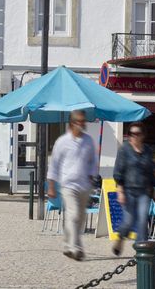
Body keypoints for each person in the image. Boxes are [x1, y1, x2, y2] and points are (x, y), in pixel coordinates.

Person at [47, 110, 98, 261]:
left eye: (84, 121)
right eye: (80, 121)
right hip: (68, 185)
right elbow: (54, 164)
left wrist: (92, 175)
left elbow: (93, 161)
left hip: (84, 185)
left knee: (80, 218)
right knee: (74, 214)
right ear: (72, 123)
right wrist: (51, 185)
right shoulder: (62, 141)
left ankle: (68, 244)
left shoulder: (89, 140)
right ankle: (76, 248)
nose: (83, 124)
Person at [112, 122, 155, 255]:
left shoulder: (148, 151)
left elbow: (151, 171)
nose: (134, 136)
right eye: (131, 134)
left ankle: (141, 252)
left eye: (137, 133)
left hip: (144, 191)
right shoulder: (124, 150)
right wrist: (120, 191)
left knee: (143, 220)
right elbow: (118, 171)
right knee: (128, 221)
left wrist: (153, 190)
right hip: (128, 190)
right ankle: (121, 237)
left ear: (143, 135)